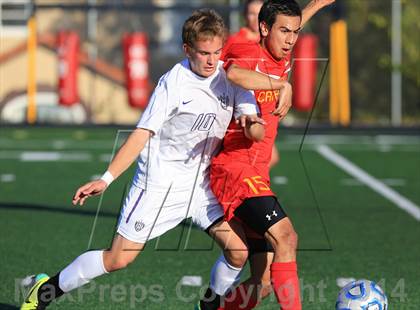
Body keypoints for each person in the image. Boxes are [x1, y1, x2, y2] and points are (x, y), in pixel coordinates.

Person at [20, 9, 268, 310]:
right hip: (159, 184)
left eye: (217, 52)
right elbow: (141, 135)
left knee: (238, 252)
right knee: (118, 259)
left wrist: (257, 120)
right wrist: (106, 178)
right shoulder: (173, 84)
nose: (211, 60)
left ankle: (208, 306)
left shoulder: (230, 78)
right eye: (204, 53)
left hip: (202, 185)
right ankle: (44, 291)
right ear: (187, 49)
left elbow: (255, 130)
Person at [198, 0, 335, 309]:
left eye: (295, 32)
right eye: (283, 31)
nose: (290, 40)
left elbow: (290, 26)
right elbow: (232, 72)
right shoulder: (249, 52)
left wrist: (314, 6)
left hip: (257, 174)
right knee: (286, 238)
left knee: (263, 285)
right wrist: (281, 85)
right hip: (234, 169)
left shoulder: (281, 50)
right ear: (263, 28)